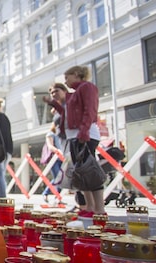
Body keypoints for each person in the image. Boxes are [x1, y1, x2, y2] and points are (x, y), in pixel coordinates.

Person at [44, 65, 105, 217]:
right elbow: (67, 113)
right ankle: (90, 206)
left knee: (89, 171)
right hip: (75, 136)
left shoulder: (87, 87)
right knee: (81, 173)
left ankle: (99, 208)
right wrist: (53, 104)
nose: (66, 81)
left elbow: (90, 109)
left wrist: (84, 131)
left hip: (84, 135)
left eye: (67, 77)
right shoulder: (76, 92)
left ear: (76, 74)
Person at [41, 83, 67, 206]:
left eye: (56, 91)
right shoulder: (51, 132)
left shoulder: (67, 104)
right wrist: (57, 151)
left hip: (64, 153)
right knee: (59, 177)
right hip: (55, 158)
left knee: (61, 177)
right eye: (52, 93)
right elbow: (50, 144)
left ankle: (49, 194)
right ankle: (54, 196)